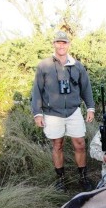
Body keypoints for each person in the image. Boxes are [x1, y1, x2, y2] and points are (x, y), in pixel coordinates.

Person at [31, 30, 95, 192]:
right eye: (58, 42)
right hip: (52, 113)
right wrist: (37, 113)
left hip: (73, 111)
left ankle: (83, 177)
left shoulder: (77, 65)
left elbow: (86, 88)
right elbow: (37, 90)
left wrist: (90, 107)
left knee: (80, 144)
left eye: (64, 42)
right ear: (54, 44)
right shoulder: (44, 65)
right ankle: (61, 179)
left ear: (69, 45)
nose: (61, 45)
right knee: (57, 145)